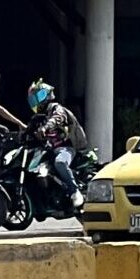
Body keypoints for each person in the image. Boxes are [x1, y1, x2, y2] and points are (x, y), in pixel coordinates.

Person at [28, 79, 88, 207]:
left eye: (37, 96)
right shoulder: (38, 117)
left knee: (60, 162)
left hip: (65, 147)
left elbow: (56, 119)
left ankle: (75, 191)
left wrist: (45, 128)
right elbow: (27, 131)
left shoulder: (57, 109)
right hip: (48, 151)